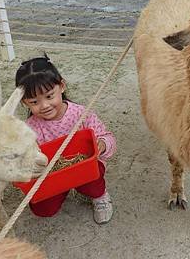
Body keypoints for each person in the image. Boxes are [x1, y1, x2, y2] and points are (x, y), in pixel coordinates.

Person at [15, 55, 116, 224]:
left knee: (94, 175)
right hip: (52, 176)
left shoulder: (81, 115)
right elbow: (23, 158)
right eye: (34, 101)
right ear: (24, 102)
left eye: (49, 96)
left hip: (82, 168)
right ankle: (65, 190)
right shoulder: (28, 130)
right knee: (42, 209)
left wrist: (102, 145)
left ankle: (100, 196)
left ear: (61, 86)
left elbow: (109, 138)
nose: (44, 105)